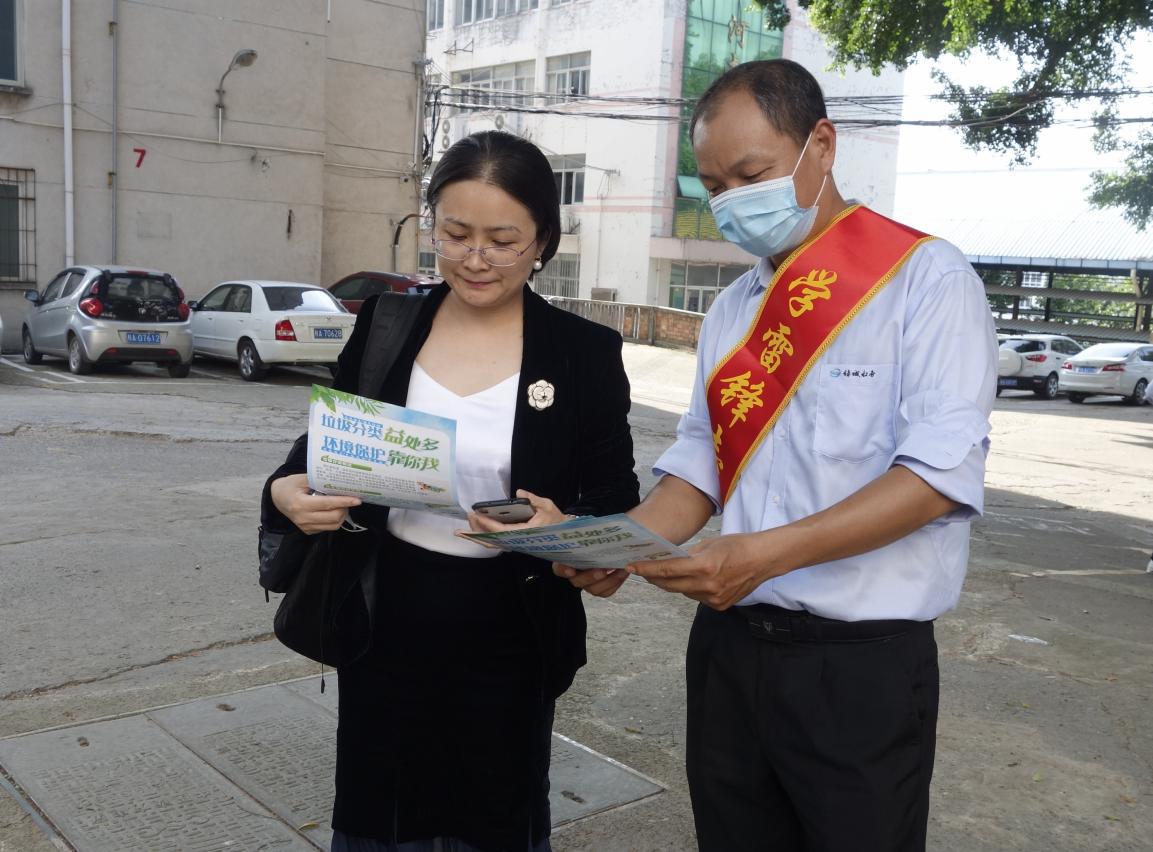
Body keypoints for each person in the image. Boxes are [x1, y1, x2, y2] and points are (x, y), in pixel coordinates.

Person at [559, 59, 997, 851]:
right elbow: (701, 461)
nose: (731, 200)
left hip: (857, 666)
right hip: (728, 652)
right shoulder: (733, 310)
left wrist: (762, 556)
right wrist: (614, 545)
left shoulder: (925, 280)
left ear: (820, 145)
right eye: (712, 185)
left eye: (750, 174)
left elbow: (936, 478)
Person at [262, 130, 639, 852]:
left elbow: (612, 499)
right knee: (380, 813)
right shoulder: (386, 324)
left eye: (502, 241)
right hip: (385, 615)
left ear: (542, 241)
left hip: (510, 629)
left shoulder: (581, 352)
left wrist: (570, 533)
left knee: (493, 816)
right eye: (456, 233)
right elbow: (322, 451)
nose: (474, 258)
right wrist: (285, 493)